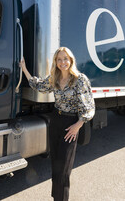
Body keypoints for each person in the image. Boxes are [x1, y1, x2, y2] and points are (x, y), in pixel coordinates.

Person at [20, 47, 95, 201]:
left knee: (64, 169)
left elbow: (89, 106)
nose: (63, 62)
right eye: (59, 59)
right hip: (56, 121)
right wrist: (24, 69)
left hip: (71, 123)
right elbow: (38, 85)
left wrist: (78, 125)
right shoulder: (54, 78)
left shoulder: (80, 79)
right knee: (56, 163)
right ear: (56, 62)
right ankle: (57, 197)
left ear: (71, 60)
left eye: (65, 59)